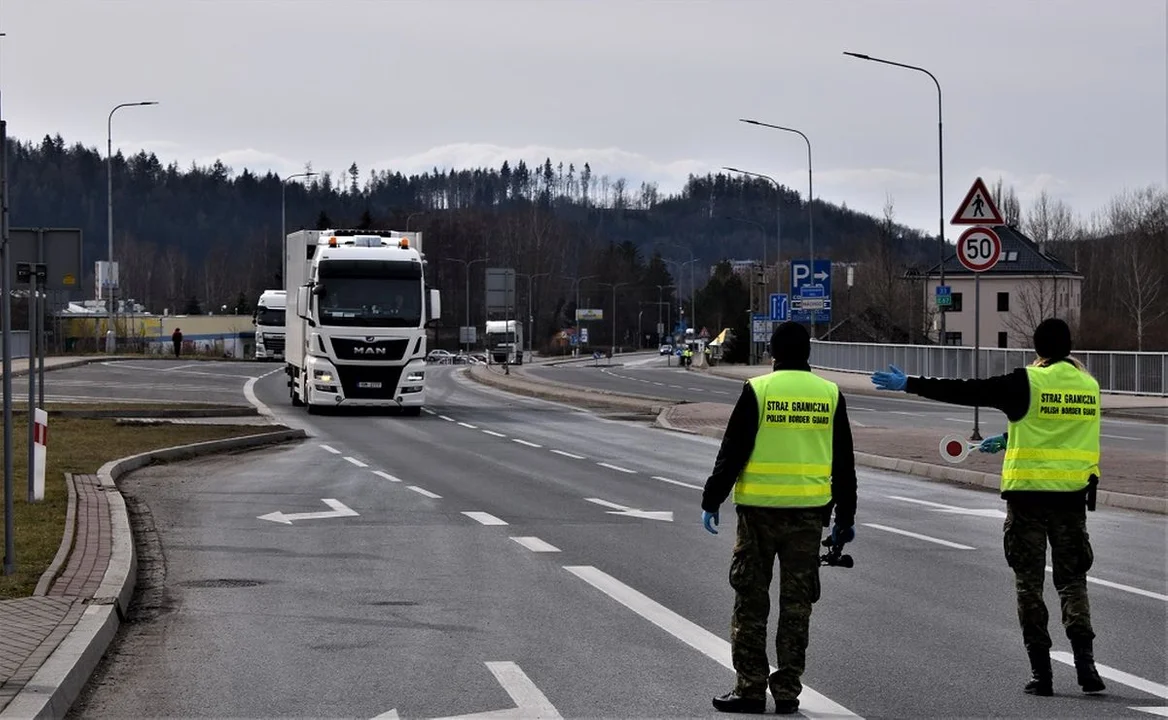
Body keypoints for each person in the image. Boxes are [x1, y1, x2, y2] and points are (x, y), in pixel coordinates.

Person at [870, 317, 1105, 697]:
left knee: (1029, 585)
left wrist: (909, 384)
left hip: (1028, 498)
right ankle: (1086, 666)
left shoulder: (1027, 381)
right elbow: (1060, 428)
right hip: (1071, 499)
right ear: (1069, 346)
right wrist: (1010, 436)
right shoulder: (1089, 385)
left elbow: (968, 391)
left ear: (1037, 350)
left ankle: (1042, 674)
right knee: (1073, 582)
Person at [701, 321, 857, 715]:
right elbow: (844, 464)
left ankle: (750, 689)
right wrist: (845, 517)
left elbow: (732, 451)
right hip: (808, 518)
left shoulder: (758, 390)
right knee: (797, 606)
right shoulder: (829, 394)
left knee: (751, 603)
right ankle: (787, 691)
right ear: (808, 354)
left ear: (773, 353)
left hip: (758, 515)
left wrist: (711, 499)